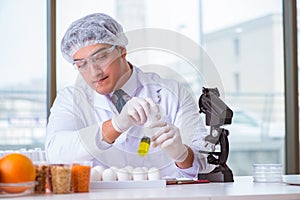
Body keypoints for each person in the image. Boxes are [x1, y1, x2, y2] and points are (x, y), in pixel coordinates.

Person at [46, 13, 215, 179]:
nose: (94, 72)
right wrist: (116, 125)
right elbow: (56, 153)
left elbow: (207, 162)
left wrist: (182, 155)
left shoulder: (172, 93)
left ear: (121, 51)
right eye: (81, 64)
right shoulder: (70, 99)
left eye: (101, 57)